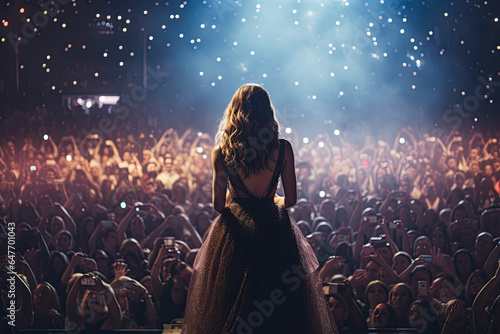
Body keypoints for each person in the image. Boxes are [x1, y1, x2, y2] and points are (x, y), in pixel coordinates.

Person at [182, 84, 337, 333]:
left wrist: (241, 195)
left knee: (229, 303)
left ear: (235, 112)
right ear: (268, 112)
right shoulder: (283, 148)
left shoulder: (221, 153)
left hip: (236, 231)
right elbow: (291, 200)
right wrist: (271, 199)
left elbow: (219, 205)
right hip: (274, 230)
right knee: (282, 304)